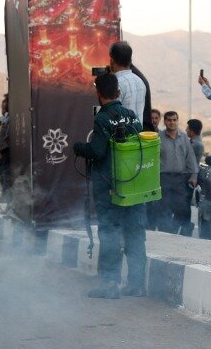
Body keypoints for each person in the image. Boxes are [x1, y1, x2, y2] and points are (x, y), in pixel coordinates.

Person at [73, 73, 146, 298]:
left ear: (99, 93)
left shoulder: (103, 119)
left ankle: (109, 285)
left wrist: (78, 147)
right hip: (133, 187)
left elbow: (97, 151)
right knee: (135, 234)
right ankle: (136, 285)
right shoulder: (132, 116)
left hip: (109, 188)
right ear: (118, 92)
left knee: (110, 234)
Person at [153, 111, 198, 235]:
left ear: (177, 121)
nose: (172, 122)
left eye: (174, 120)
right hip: (163, 179)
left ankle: (175, 232)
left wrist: (194, 175)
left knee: (182, 208)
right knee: (163, 209)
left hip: (180, 179)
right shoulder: (158, 137)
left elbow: (190, 157)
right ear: (165, 122)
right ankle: (165, 235)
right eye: (169, 120)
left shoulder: (184, 137)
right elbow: (153, 158)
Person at [108, 41, 151, 131]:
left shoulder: (116, 84)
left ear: (112, 60)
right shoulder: (140, 81)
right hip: (136, 139)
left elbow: (110, 117)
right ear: (130, 60)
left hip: (120, 141)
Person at [0, 93, 12, 205]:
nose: (3, 105)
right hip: (3, 150)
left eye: (5, 102)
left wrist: (5, 146)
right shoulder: (6, 117)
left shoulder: (10, 117)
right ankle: (6, 200)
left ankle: (8, 201)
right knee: (4, 176)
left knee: (6, 176)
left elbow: (7, 134)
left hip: (7, 150)